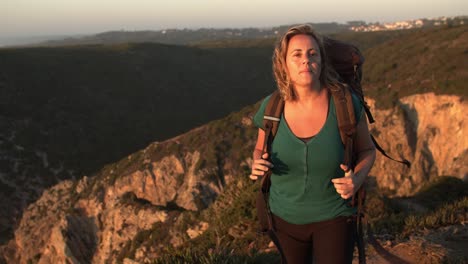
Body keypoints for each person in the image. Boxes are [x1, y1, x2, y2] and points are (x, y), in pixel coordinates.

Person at [250, 24, 376, 263]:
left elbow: (367, 150)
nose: (305, 60)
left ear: (321, 61)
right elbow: (259, 148)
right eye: (296, 55)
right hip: (283, 219)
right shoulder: (271, 107)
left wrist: (356, 180)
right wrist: (257, 161)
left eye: (312, 54)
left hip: (335, 216)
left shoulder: (346, 104)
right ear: (283, 64)